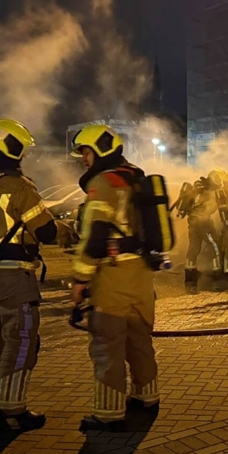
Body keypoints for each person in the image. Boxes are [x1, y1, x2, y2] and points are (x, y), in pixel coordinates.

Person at [0, 118, 75, 433]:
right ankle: (10, 409)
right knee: (22, 340)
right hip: (13, 277)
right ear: (11, 147)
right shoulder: (16, 185)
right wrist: (70, 232)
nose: (23, 156)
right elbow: (45, 229)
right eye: (22, 149)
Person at [70, 125, 159, 432]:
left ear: (100, 149)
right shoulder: (136, 177)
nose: (83, 158)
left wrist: (80, 280)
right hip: (141, 275)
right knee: (140, 341)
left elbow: (94, 238)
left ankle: (108, 413)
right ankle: (147, 396)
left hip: (113, 276)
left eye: (86, 151)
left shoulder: (103, 182)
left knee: (108, 345)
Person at [178, 172, 222, 293]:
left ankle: (189, 273)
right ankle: (217, 271)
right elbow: (210, 209)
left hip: (192, 222)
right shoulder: (209, 192)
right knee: (214, 245)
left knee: (193, 247)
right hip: (203, 223)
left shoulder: (197, 188)